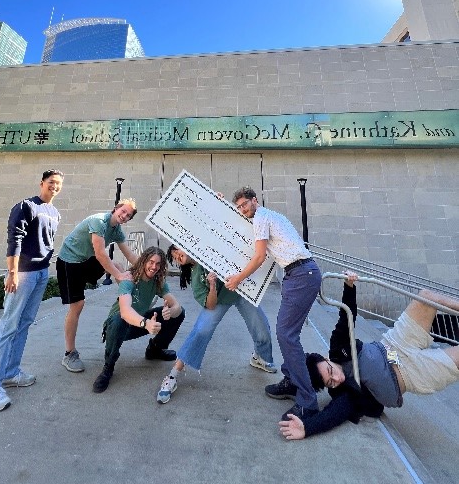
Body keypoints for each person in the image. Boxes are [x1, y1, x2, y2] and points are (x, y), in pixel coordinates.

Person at [279, 272, 459, 440]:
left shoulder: (337, 349)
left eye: (330, 371)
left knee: (425, 297)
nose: (338, 378)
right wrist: (307, 428)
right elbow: (333, 414)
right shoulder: (343, 392)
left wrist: (349, 286)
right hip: (412, 373)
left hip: (395, 342)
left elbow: (346, 318)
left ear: (327, 359)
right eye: (330, 382)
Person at [225, 186, 321, 421]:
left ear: (254, 200)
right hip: (298, 275)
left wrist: (237, 278)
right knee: (288, 334)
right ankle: (291, 381)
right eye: (238, 207)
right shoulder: (270, 216)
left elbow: (258, 257)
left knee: (286, 335)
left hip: (301, 274)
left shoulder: (261, 217)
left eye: (244, 204)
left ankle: (307, 401)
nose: (242, 209)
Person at [0, 169, 64, 412]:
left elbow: (47, 244)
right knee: (8, 326)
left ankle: (10, 372)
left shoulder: (54, 212)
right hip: (23, 274)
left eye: (58, 184)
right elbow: (14, 239)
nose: (54, 187)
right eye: (51, 183)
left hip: (41, 273)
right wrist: (12, 273)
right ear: (41, 184)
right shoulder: (26, 206)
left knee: (24, 323)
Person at [156, 244, 276, 404]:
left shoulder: (209, 246)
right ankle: (173, 375)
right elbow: (211, 305)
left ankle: (259, 357)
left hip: (242, 289)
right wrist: (212, 285)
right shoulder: (195, 275)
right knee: (201, 330)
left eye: (177, 250)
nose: (177, 255)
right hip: (221, 298)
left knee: (261, 328)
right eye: (175, 258)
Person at [56, 198, 138, 372]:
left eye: (128, 215)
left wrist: (149, 269)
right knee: (77, 305)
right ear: (116, 208)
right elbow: (101, 254)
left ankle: (130, 300)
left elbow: (130, 254)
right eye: (123, 211)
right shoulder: (99, 221)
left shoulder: (117, 230)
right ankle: (69, 353)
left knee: (119, 266)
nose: (124, 216)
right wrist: (119, 276)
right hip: (69, 261)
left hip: (87, 259)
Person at [92, 246, 185, 393]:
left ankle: (155, 350)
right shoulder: (129, 278)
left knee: (180, 313)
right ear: (143, 261)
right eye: (151, 262)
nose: (154, 267)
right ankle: (108, 368)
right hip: (117, 326)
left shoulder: (158, 282)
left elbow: (177, 306)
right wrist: (146, 323)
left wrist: (171, 311)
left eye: (158, 264)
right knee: (119, 320)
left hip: (139, 324)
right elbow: (125, 311)